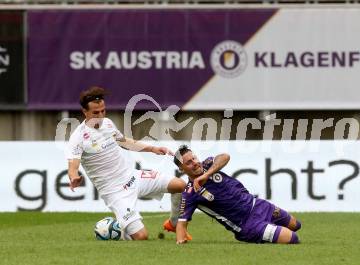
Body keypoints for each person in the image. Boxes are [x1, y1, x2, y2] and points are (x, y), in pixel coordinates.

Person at [66, 86, 190, 240]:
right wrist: (74, 177)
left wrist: (153, 148)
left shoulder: (108, 124)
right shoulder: (78, 137)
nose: (101, 115)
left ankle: (173, 223)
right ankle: (115, 230)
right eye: (95, 113)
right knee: (141, 237)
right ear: (85, 112)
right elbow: (73, 166)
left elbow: (125, 142)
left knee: (182, 186)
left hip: (133, 177)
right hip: (115, 192)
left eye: (103, 111)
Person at [173, 145, 302, 244]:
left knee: (296, 225)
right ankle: (265, 233)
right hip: (247, 225)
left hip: (257, 204)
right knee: (293, 238)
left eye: (194, 158)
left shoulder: (208, 164)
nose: (194, 162)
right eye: (188, 162)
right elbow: (181, 223)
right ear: (181, 169)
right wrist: (180, 240)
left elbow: (225, 156)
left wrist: (206, 175)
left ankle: (270, 232)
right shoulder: (190, 193)